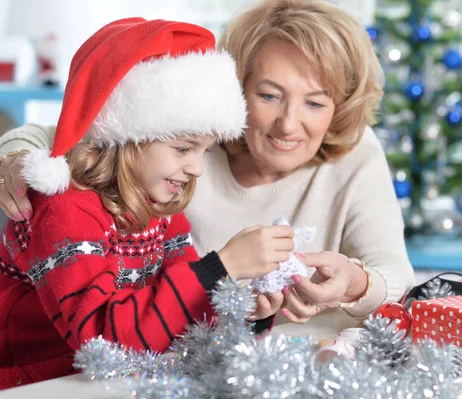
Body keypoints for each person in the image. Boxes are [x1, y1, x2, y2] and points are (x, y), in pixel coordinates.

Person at [0, 0, 416, 335]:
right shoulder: (179, 137)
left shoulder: (174, 183)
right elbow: (77, 126)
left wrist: (250, 309)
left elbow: (395, 274)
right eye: (269, 95)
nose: (289, 124)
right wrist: (21, 163)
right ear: (236, 89)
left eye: (315, 102)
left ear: (339, 106)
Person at [0, 18, 295, 389]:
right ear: (124, 137)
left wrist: (241, 310)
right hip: (32, 383)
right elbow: (99, 343)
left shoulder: (157, 206)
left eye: (204, 150)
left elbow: (177, 314)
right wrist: (221, 267)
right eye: (183, 148)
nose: (197, 168)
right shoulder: (65, 210)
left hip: (103, 383)